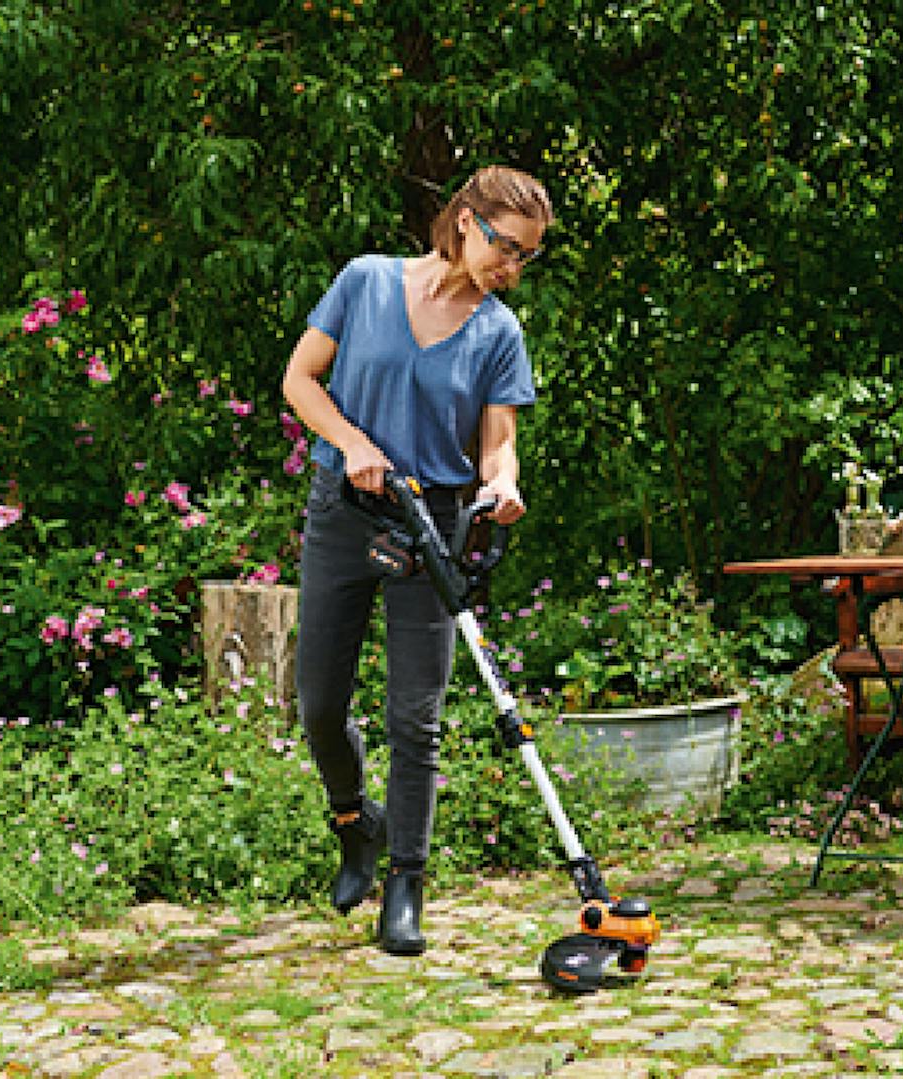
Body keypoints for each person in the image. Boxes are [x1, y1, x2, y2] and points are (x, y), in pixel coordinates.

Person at [281, 166, 550, 955]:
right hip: (345, 510)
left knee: (415, 717)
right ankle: (353, 822)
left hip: (432, 523)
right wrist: (352, 443)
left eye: (527, 255)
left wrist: (502, 484)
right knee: (319, 703)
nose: (512, 266)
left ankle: (406, 884)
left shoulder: (498, 332)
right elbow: (300, 380)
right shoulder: (365, 282)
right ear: (465, 221)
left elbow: (498, 445)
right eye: (505, 246)